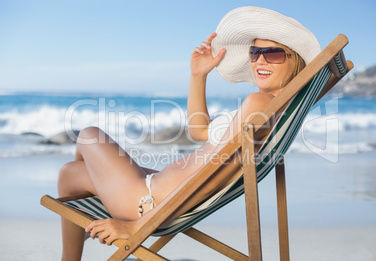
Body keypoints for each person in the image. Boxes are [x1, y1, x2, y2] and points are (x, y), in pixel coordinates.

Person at [57, 6, 321, 260]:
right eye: (255, 52)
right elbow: (199, 131)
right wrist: (198, 75)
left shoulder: (259, 104)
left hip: (146, 204)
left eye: (273, 53)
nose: (260, 60)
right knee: (69, 173)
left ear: (294, 60)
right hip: (151, 193)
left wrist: (138, 226)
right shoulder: (272, 108)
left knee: (89, 134)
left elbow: (214, 175)